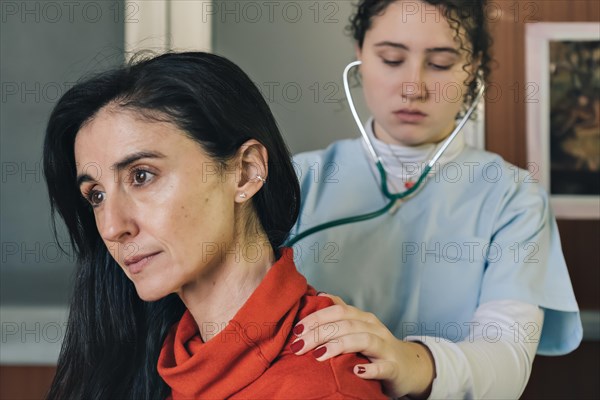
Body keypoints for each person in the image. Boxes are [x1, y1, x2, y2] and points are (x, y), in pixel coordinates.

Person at [43, 52, 387, 399]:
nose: (112, 227)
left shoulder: (322, 387)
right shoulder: (162, 361)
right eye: (96, 196)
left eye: (142, 176)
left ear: (245, 172)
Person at [288, 0, 583, 398]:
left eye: (441, 64)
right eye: (391, 59)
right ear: (359, 56)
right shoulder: (294, 181)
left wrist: (404, 361)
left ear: (473, 67)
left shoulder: (513, 198)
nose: (414, 87)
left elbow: (506, 361)